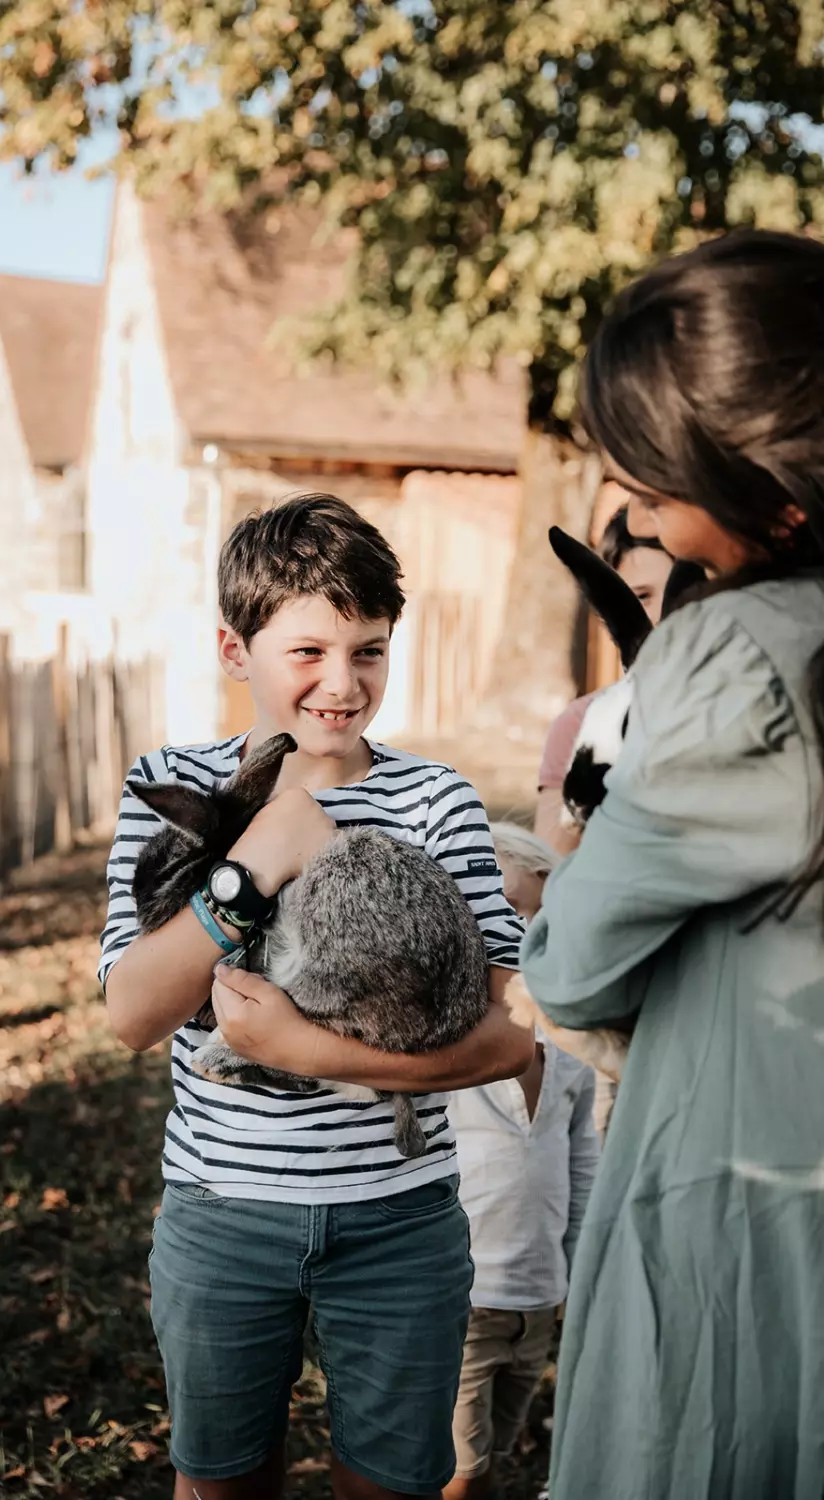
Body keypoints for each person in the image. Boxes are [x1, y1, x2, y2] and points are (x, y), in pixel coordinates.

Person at [99, 493, 533, 1500]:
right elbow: (132, 1014)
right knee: (219, 1481)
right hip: (222, 1213)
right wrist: (252, 863)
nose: (342, 686)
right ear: (233, 648)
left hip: (398, 1220)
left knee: (387, 1482)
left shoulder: (437, 800)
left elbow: (512, 1025)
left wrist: (309, 1052)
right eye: (308, 652)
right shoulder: (169, 782)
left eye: (368, 652)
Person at [520, 229, 824, 1500]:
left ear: (767, 483)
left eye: (649, 475)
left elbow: (578, 969)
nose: (633, 510)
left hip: (743, 1191)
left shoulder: (731, 659)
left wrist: (557, 877)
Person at [445, 824, 599, 1500]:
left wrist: (576, 1267)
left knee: (499, 1450)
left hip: (540, 1297)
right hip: (464, 1302)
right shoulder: (447, 1048)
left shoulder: (569, 1048)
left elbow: (582, 1164)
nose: (524, 935)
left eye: (538, 915)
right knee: (459, 1470)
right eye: (504, 916)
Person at [534, 507, 674, 857]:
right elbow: (553, 865)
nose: (659, 616)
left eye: (678, 596)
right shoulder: (584, 722)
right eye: (640, 598)